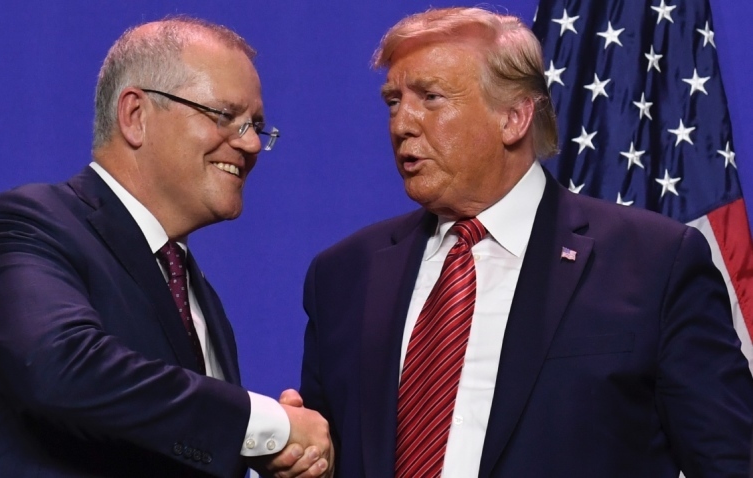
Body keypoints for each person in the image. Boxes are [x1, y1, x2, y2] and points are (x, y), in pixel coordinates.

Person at [298, 7, 753, 477]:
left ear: (514, 117)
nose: (401, 125)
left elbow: (729, 462)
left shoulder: (655, 263)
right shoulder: (343, 275)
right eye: (393, 101)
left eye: (431, 98)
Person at [0, 16, 332, 478]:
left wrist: (271, 459)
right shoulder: (23, 224)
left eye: (256, 125)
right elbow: (61, 368)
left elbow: (167, 440)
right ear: (135, 116)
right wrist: (266, 424)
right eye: (226, 117)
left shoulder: (196, 293)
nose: (252, 145)